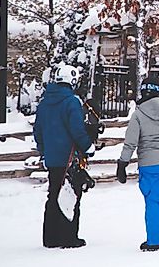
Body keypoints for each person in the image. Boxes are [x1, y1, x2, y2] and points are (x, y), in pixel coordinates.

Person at [116, 76, 159, 251]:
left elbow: (130, 142)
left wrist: (123, 163)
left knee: (153, 201)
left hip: (150, 164)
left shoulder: (138, 115)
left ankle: (157, 241)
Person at [33, 63, 95, 249]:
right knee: (70, 196)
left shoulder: (44, 103)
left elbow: (38, 131)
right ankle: (68, 237)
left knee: (54, 194)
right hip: (69, 157)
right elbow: (76, 129)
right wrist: (88, 147)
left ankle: (50, 237)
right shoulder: (72, 102)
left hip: (52, 159)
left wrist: (44, 152)